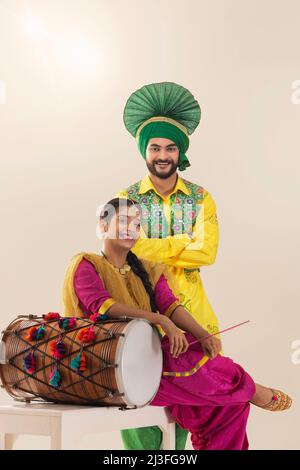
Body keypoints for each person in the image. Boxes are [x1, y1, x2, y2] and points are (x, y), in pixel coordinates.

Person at [62, 197, 292, 451]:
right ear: (103, 225)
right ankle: (252, 389)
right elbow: (102, 307)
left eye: (137, 224)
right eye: (124, 220)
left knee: (230, 406)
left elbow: (171, 305)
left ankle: (244, 393)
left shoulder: (147, 269)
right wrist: (159, 320)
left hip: (149, 365)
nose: (131, 228)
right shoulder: (86, 264)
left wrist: (202, 334)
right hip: (108, 368)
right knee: (181, 357)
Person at [115, 81, 220, 450]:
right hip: (143, 313)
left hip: (194, 314)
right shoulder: (126, 199)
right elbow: (129, 252)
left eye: (171, 147)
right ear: (145, 151)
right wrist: (181, 244)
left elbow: (206, 252)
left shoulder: (200, 197)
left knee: (188, 412)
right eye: (155, 147)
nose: (163, 154)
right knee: (135, 404)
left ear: (180, 152)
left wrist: (152, 247)